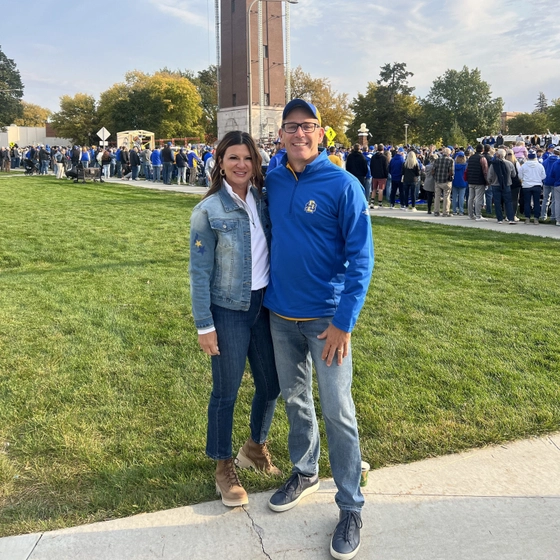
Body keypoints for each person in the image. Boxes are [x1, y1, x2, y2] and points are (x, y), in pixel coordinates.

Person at [264, 99, 374, 560]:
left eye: (308, 126)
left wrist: (343, 323)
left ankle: (350, 505)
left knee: (337, 409)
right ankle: (305, 469)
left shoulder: (343, 184)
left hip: (326, 321)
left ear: (322, 132)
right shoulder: (271, 177)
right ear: (282, 135)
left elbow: (361, 260)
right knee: (295, 401)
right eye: (291, 127)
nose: (299, 134)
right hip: (279, 315)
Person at [189, 131, 281, 509]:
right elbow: (198, 272)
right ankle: (223, 465)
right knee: (225, 392)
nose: (241, 164)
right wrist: (204, 325)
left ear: (255, 162)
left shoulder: (263, 200)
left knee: (271, 384)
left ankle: (255, 447)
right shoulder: (208, 211)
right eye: (233, 158)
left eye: (247, 158)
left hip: (263, 306)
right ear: (221, 163)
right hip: (227, 309)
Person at [487, 148, 516, 224]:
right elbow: (514, 174)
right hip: (506, 184)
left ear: (498, 155)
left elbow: (489, 176)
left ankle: (499, 219)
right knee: (508, 202)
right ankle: (510, 218)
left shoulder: (493, 165)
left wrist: (490, 181)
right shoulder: (509, 164)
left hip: (495, 185)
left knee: (497, 202)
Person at [519, 151, 546, 224]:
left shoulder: (524, 166)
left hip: (526, 185)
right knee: (536, 202)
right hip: (537, 185)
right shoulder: (540, 166)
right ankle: (536, 219)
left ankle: (527, 218)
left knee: (527, 202)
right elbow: (544, 176)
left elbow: (520, 176)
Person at [466, 144, 489, 221]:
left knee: (470, 198)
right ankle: (478, 215)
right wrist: (487, 181)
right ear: (482, 150)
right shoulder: (482, 158)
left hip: (471, 180)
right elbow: (485, 171)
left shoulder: (471, 158)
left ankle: (470, 214)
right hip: (479, 180)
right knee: (478, 198)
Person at [432, 147, 454, 216]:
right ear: (449, 153)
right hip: (446, 180)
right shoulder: (450, 160)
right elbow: (451, 171)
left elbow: (433, 170)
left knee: (437, 196)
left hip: (437, 180)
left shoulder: (437, 160)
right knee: (446, 196)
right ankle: (445, 212)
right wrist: (451, 177)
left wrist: (435, 177)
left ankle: (436, 211)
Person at [370, 143, 388, 208]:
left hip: (374, 175)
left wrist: (372, 173)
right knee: (381, 189)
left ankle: (372, 202)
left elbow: (371, 166)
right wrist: (386, 175)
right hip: (382, 175)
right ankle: (380, 203)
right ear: (382, 149)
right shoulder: (384, 158)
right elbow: (386, 168)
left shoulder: (373, 157)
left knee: (374, 189)